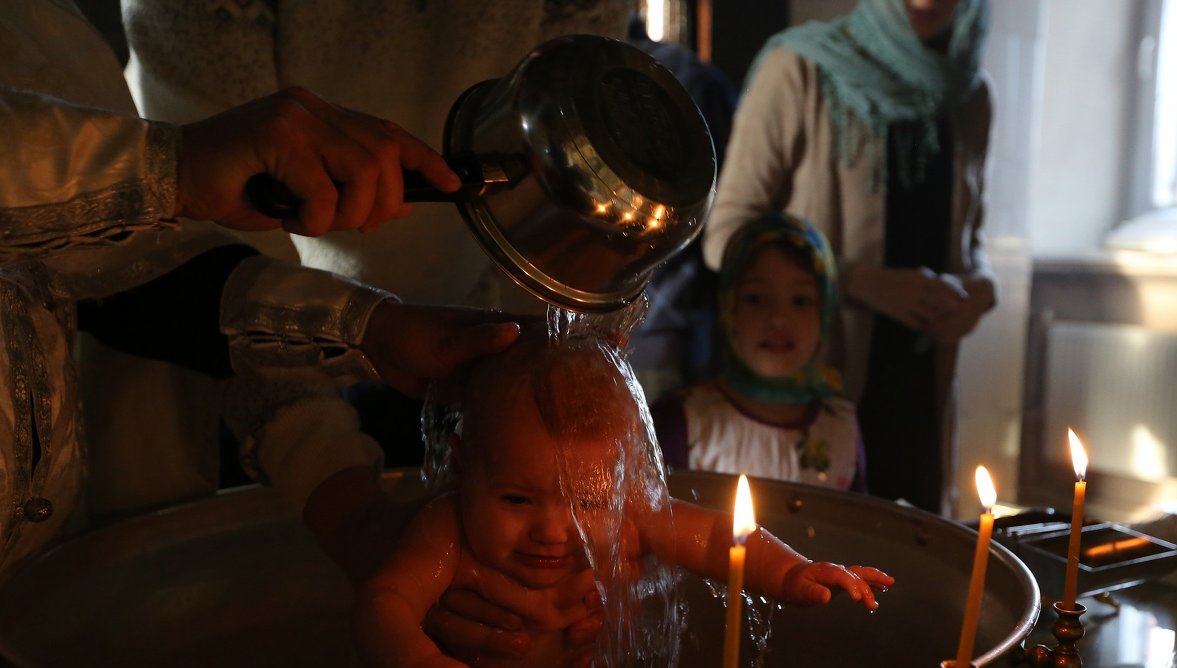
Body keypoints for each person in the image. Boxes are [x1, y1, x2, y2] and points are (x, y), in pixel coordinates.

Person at [0, 1, 518, 578]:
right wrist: (176, 168)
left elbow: (118, 259)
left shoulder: (39, 23)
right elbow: (152, 212)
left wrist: (370, 330)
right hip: (163, 443)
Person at [98, 0, 631, 516]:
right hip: (222, 329)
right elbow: (217, 234)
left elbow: (578, 190)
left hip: (472, 332)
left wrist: (550, 379)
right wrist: (337, 493)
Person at [354, 334, 894, 668]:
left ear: (622, 483)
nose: (551, 530)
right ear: (462, 466)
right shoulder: (445, 529)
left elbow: (715, 540)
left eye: (589, 501)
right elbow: (385, 601)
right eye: (516, 500)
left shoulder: (632, 514)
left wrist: (791, 571)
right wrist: (418, 666)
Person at [702, 0, 996, 516]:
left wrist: (982, 289)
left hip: (919, 394)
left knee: (915, 565)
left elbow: (971, 240)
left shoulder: (968, 94)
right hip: (812, 396)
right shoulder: (802, 68)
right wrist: (862, 282)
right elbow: (725, 236)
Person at [652, 213, 865, 491]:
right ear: (729, 308)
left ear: (824, 313)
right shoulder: (681, 422)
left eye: (800, 300)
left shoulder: (841, 431)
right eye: (755, 299)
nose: (778, 319)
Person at [624, 14, 738, 403]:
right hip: (656, 326)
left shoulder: (676, 76)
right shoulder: (679, 72)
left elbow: (719, 213)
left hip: (662, 332)